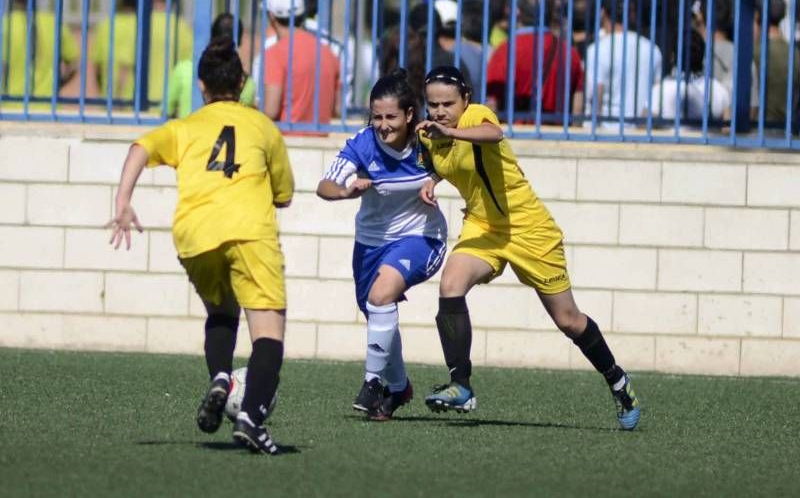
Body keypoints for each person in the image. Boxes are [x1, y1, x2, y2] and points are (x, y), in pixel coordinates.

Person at [416, 66, 641, 431]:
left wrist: (452, 130)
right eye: (433, 105)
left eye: (448, 103)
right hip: (484, 225)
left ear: (465, 99)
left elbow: (493, 134)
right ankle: (461, 385)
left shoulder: (475, 116)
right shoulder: (429, 135)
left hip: (529, 229)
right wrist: (433, 177)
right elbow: (449, 161)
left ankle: (618, 381)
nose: (440, 111)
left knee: (568, 320)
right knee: (450, 285)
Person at [108, 36, 294, 454]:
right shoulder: (263, 127)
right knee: (268, 333)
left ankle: (221, 377)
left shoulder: (186, 127)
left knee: (222, 311)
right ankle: (250, 418)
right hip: (249, 231)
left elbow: (140, 147)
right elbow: (284, 195)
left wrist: (122, 201)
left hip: (194, 234)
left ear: (201, 85)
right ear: (243, 82)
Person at [316, 69, 447, 420]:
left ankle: (371, 383)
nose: (384, 125)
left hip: (422, 237)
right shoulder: (362, 143)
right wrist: (345, 190)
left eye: (391, 117)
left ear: (409, 115)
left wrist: (433, 179)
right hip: (370, 244)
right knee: (377, 312)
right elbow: (325, 185)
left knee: (381, 296)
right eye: (377, 117)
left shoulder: (427, 141)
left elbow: (458, 162)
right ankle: (398, 387)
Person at [485, 0, 585, 123]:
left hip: (514, 136)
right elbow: (577, 108)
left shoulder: (505, 51)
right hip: (558, 137)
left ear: (518, 11)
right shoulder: (569, 53)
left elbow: (491, 104)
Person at [92, 0, 193, 105]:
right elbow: (189, 68)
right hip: (168, 103)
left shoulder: (138, 24)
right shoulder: (182, 27)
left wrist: (116, 99)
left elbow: (124, 66)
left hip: (136, 103)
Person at [262, 0, 340, 127]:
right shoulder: (328, 52)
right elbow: (337, 109)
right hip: (322, 140)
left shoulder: (274, 53)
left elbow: (271, 111)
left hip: (288, 140)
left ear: (272, 16)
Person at [584, 0, 662, 128]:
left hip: (607, 133)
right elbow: (656, 98)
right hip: (642, 136)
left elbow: (597, 97)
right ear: (631, 15)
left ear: (603, 13)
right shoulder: (652, 49)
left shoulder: (596, 50)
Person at [1, 0, 79, 100]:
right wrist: (56, 85)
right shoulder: (54, 23)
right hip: (48, 107)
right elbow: (74, 64)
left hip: (11, 106)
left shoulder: (5, 24)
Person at [166, 13, 256, 118]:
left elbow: (166, 110)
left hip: (190, 131)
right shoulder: (248, 83)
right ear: (239, 41)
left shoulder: (183, 69)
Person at [648, 29, 730, 121]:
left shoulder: (661, 90)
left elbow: (644, 126)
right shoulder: (718, 89)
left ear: (672, 56)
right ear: (702, 56)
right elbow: (728, 129)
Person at [753, 0, 800, 124]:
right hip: (788, 135)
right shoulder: (795, 54)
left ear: (756, 16)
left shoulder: (754, 54)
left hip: (756, 133)